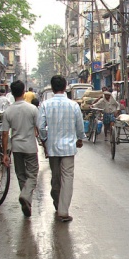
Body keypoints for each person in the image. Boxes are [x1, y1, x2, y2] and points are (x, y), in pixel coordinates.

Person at [38, 75, 85, 222]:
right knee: (67, 178)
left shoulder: (45, 105)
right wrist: (80, 138)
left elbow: (41, 127)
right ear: (65, 87)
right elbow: (79, 125)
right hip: (69, 148)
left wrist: (45, 141)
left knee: (56, 176)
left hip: (52, 147)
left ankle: (57, 201)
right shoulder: (73, 105)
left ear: (52, 88)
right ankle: (63, 211)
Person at [1, 80, 39, 218]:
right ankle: (25, 196)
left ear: (12, 93)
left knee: (21, 175)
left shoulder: (8, 111)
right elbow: (39, 128)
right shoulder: (32, 109)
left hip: (16, 148)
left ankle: (26, 199)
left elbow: (5, 134)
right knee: (32, 175)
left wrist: (5, 154)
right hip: (30, 147)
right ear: (24, 92)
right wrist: (44, 144)